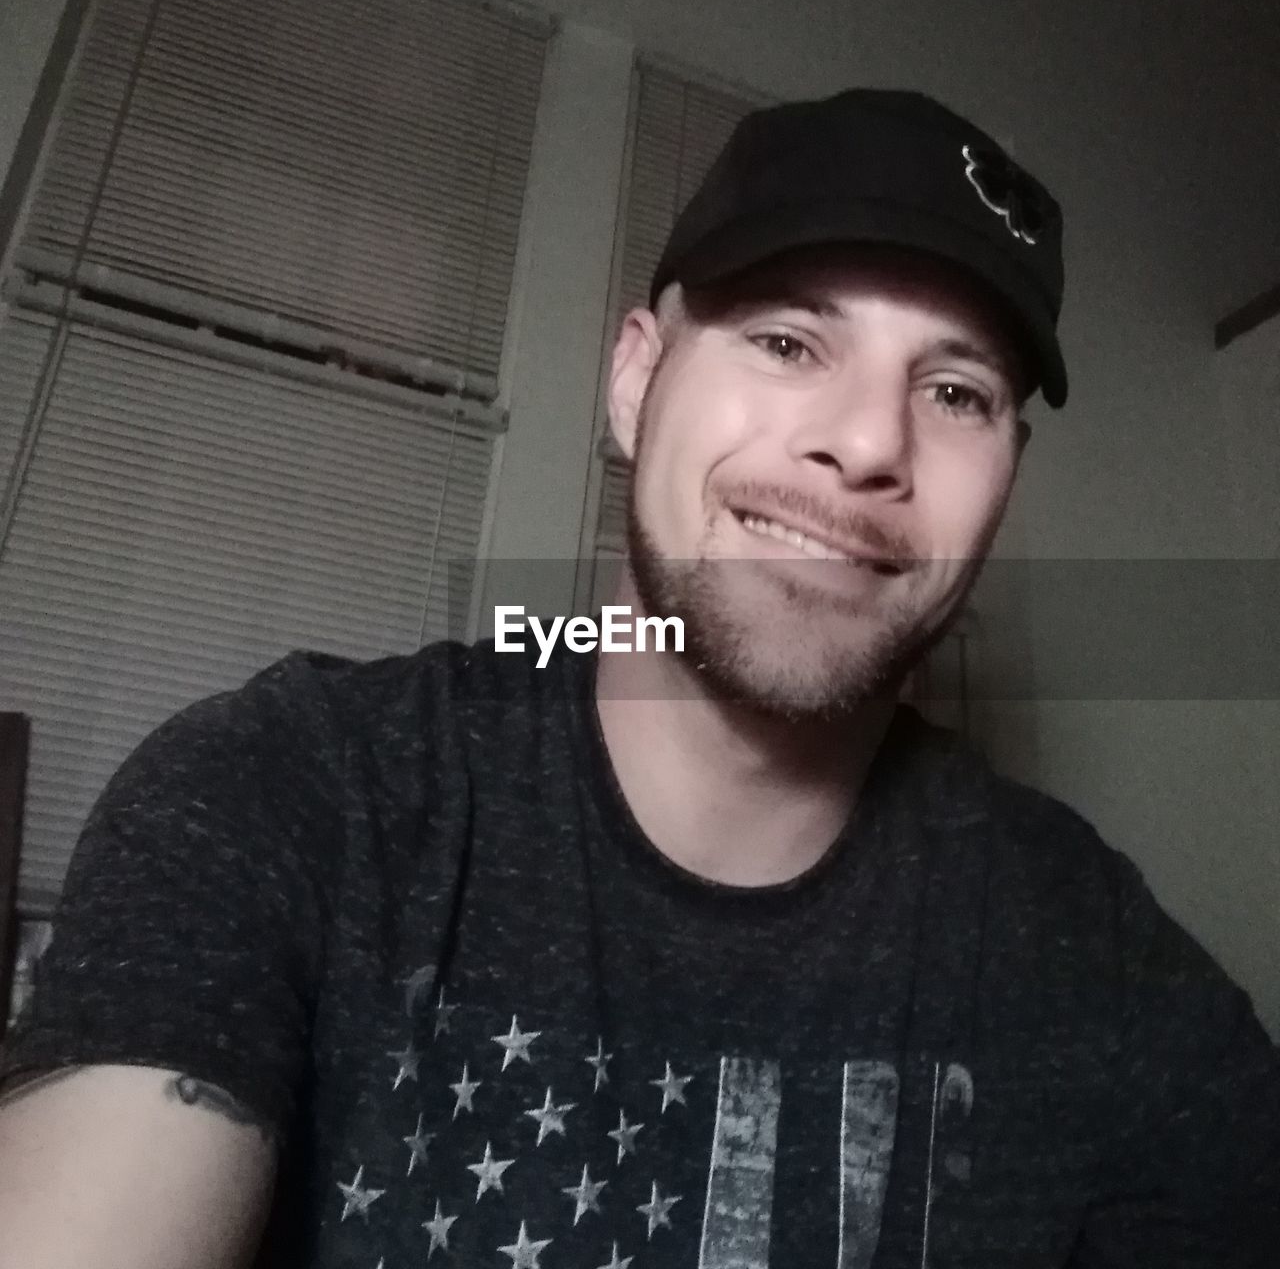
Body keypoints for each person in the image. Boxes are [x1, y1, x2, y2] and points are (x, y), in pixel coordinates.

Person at [0, 87, 1276, 1269]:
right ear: (631, 379)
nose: (868, 440)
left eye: (954, 390)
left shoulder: (1083, 947)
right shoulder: (298, 789)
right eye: (785, 340)